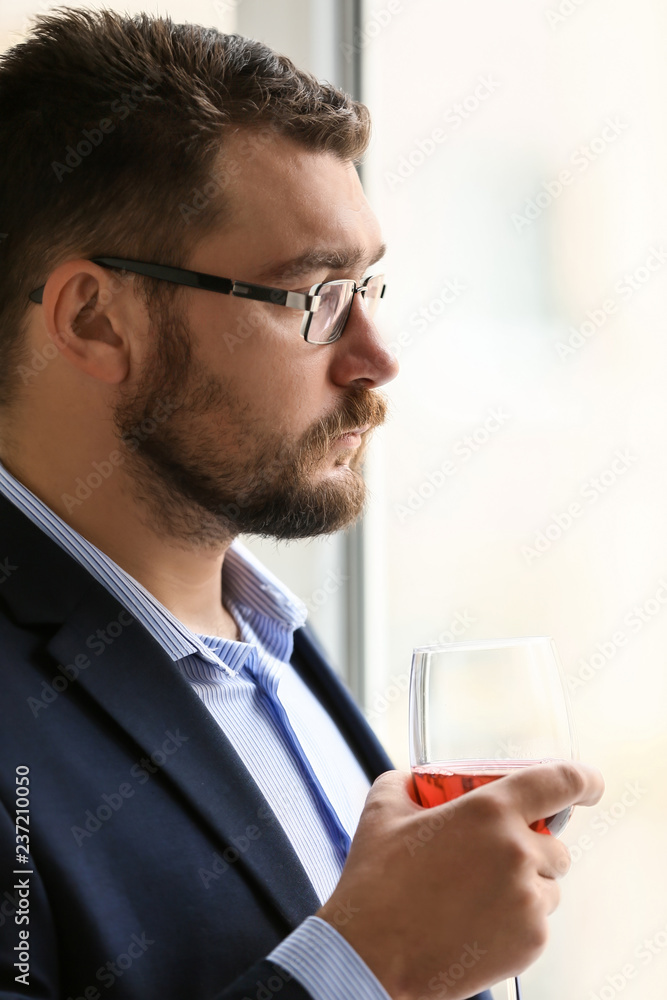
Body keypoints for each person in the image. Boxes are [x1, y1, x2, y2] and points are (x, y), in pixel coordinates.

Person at [0, 10, 604, 1000]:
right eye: (315, 296)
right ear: (95, 319)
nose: (376, 357)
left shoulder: (270, 642)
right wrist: (365, 965)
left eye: (368, 284)